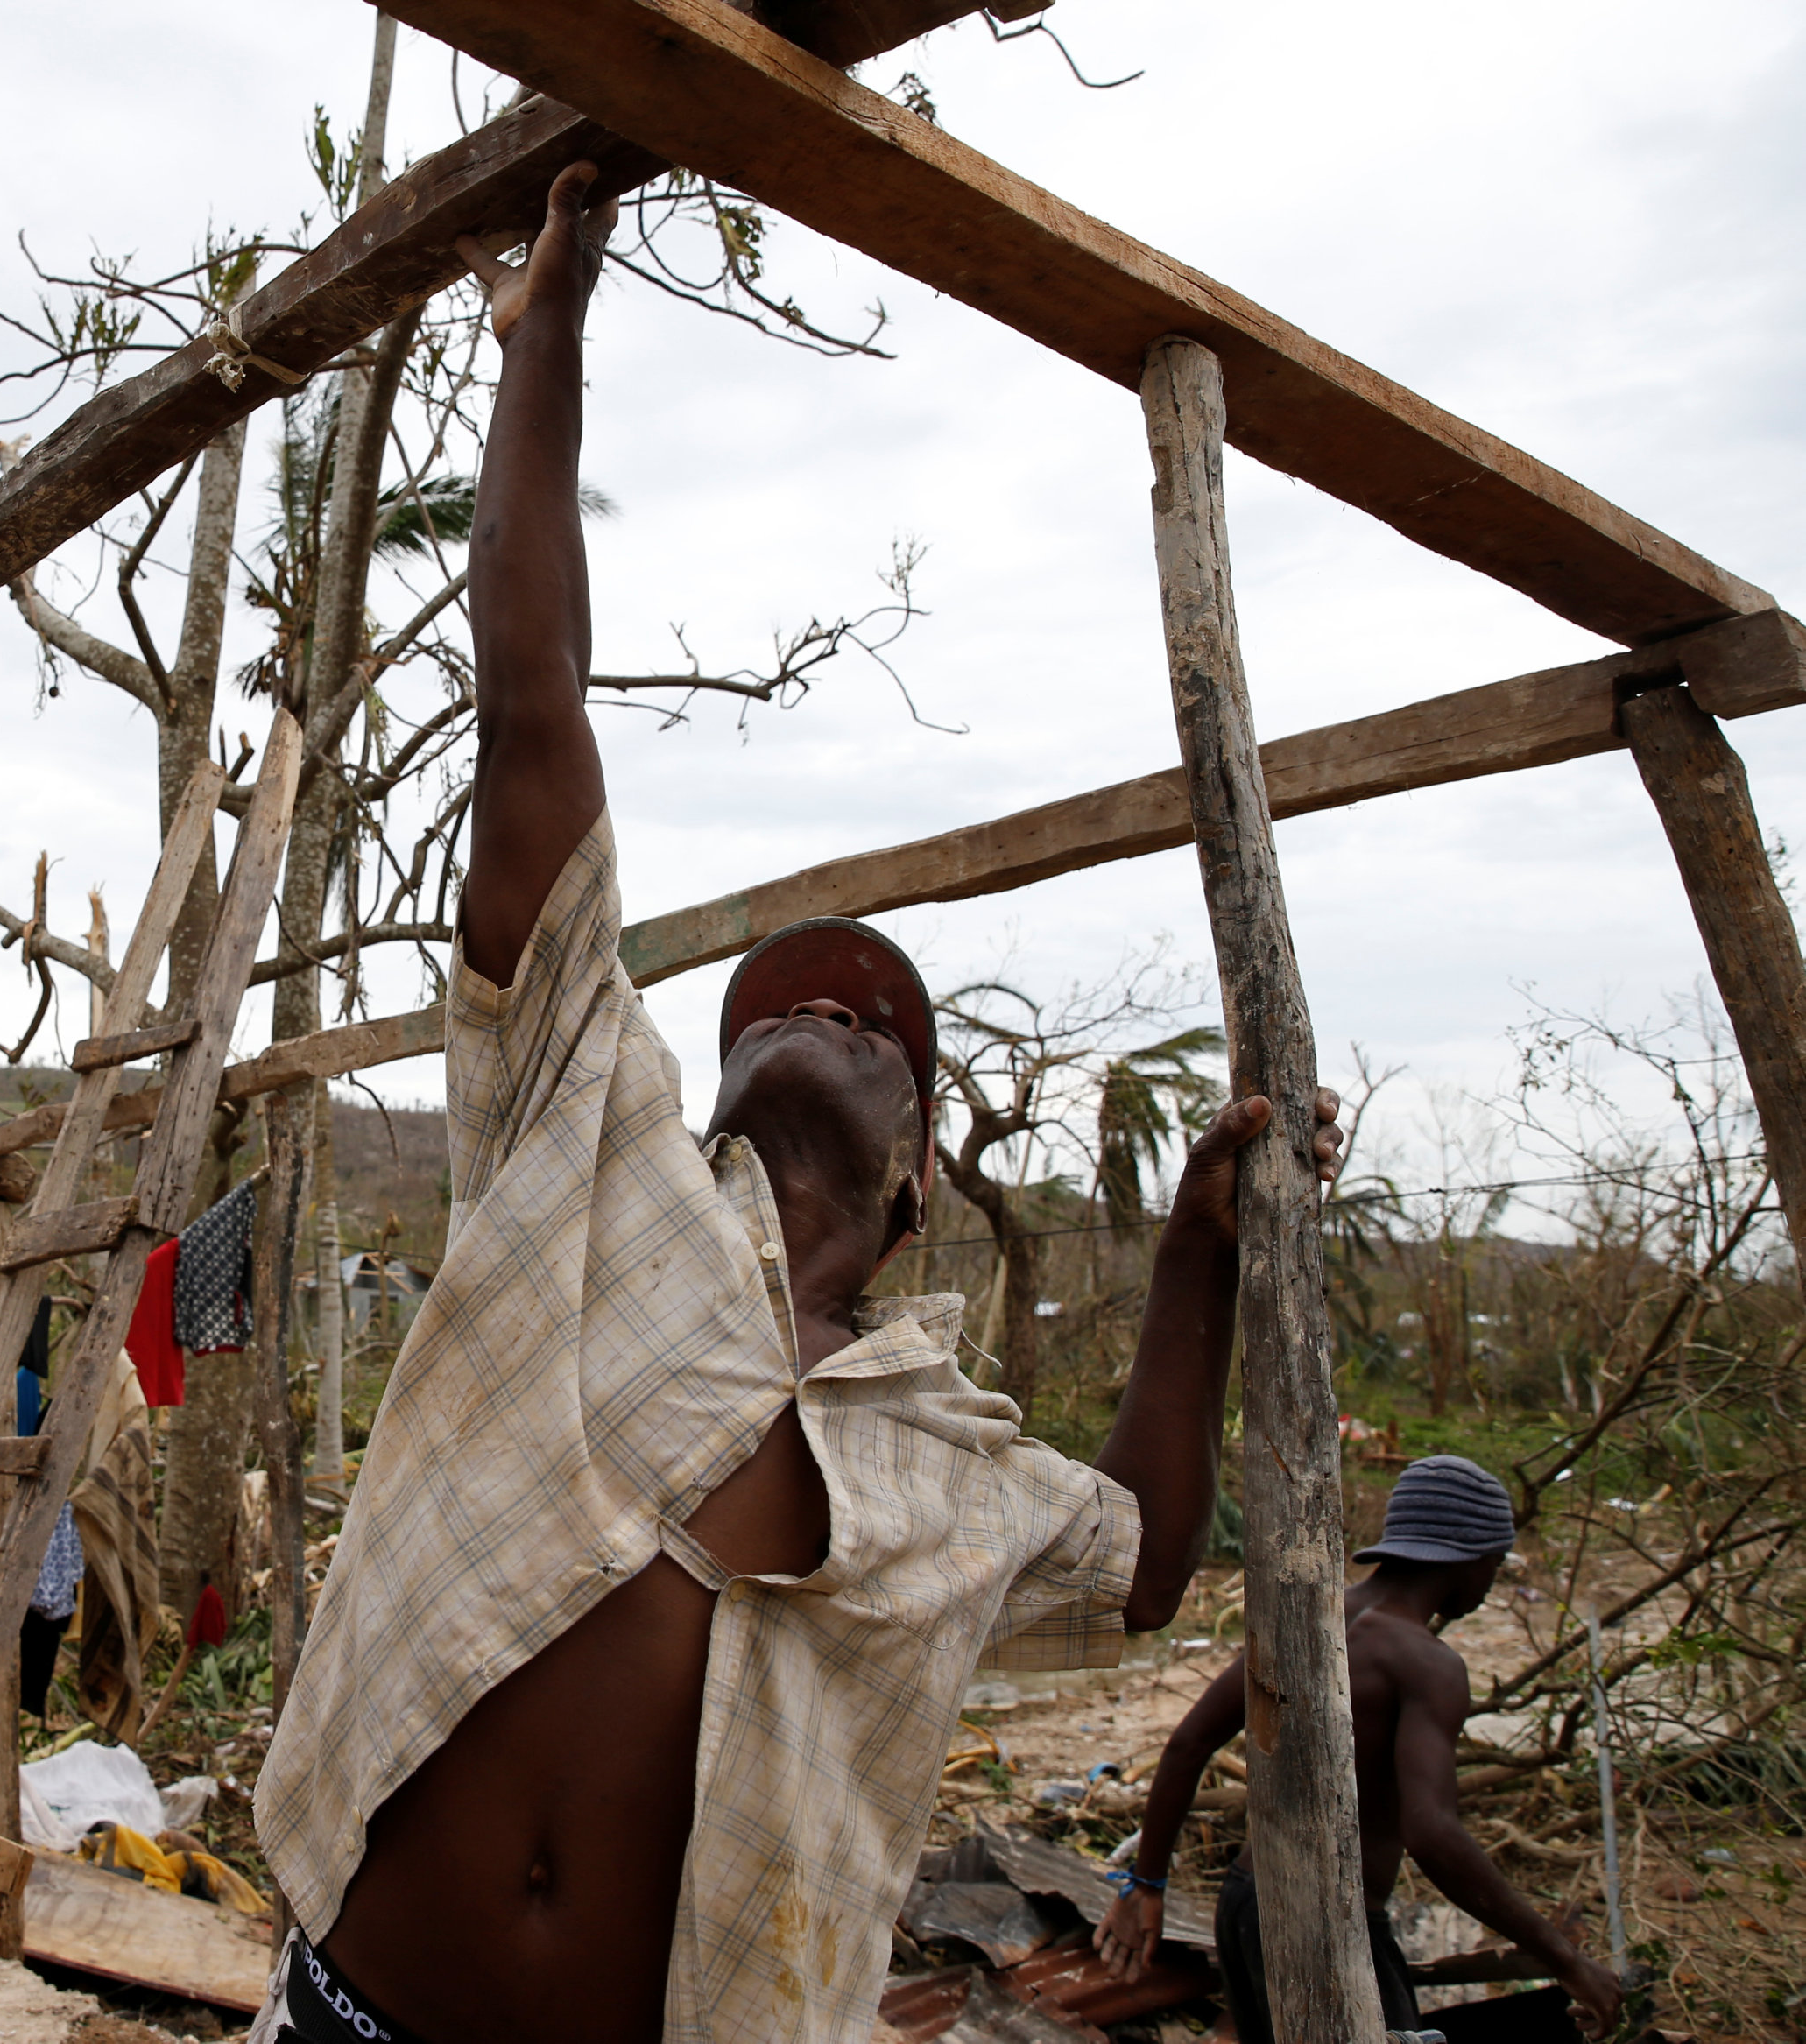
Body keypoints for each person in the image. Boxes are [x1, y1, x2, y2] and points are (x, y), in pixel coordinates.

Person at [244, 162, 1342, 2044]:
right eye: (785, 997)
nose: (834, 998)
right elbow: (531, 707)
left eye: (879, 1020)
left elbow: (1151, 1560)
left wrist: (1192, 1255)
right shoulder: (584, 1153)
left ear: (918, 1182)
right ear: (717, 1078)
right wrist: (550, 342)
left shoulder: (951, 1467)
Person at [1096, 1455, 1626, 2043]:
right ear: (1469, 1558)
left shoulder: (1305, 1613)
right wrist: (1567, 1960)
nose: (1494, 1579)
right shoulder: (1429, 1665)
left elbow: (1188, 1744)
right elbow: (1432, 1832)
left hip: (1249, 1906)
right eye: (1497, 1563)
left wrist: (1147, 1886)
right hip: (1331, 1927)